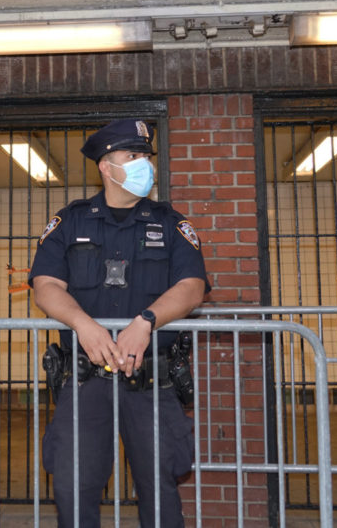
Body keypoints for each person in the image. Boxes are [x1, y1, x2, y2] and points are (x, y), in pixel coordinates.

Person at [28, 118, 210, 528]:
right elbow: (46, 286)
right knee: (74, 490)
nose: (145, 163)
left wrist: (146, 322)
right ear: (106, 168)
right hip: (86, 382)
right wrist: (83, 324)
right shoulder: (70, 221)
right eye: (133, 156)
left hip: (150, 383)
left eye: (146, 155)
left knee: (160, 493)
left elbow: (192, 287)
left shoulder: (169, 222)